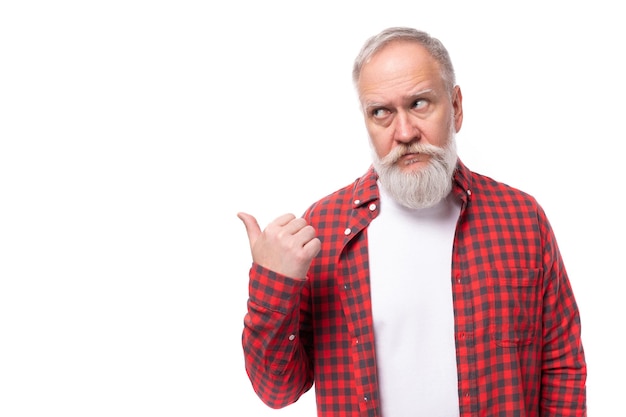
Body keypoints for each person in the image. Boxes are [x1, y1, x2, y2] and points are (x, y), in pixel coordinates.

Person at [238, 26, 587, 417]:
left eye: (420, 103)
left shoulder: (521, 219)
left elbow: (562, 366)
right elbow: (276, 391)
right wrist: (274, 282)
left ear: (455, 107)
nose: (403, 133)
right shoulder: (324, 228)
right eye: (381, 112)